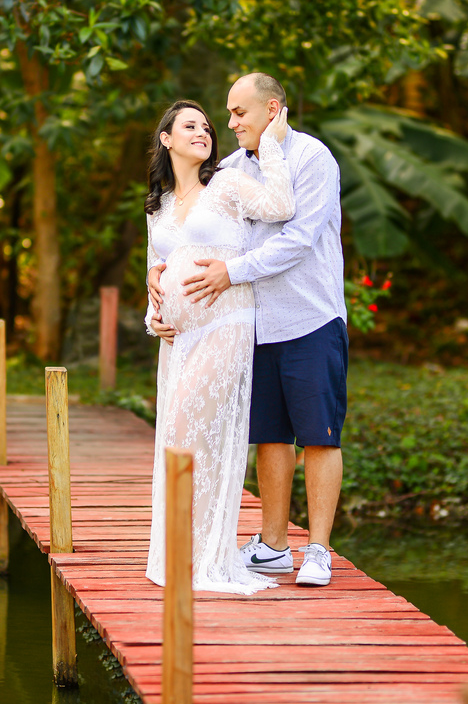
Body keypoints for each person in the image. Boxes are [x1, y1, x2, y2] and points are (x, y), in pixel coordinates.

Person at [149, 73, 347, 587]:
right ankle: (274, 545)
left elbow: (299, 238)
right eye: (227, 116)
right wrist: (161, 274)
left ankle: (319, 549)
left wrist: (230, 273)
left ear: (272, 109)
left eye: (238, 114)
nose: (229, 124)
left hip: (309, 315)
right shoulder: (233, 168)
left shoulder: (310, 158)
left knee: (319, 435)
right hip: (255, 323)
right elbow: (196, 233)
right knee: (270, 436)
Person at [142, 99, 294, 595]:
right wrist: (153, 317)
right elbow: (155, 273)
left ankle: (205, 555)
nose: (204, 132)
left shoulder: (225, 185)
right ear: (166, 139)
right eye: (190, 126)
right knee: (178, 437)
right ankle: (182, 551)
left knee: (190, 425)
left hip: (227, 322)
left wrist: (270, 146)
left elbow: (280, 207)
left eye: (207, 127)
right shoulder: (159, 206)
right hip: (180, 339)